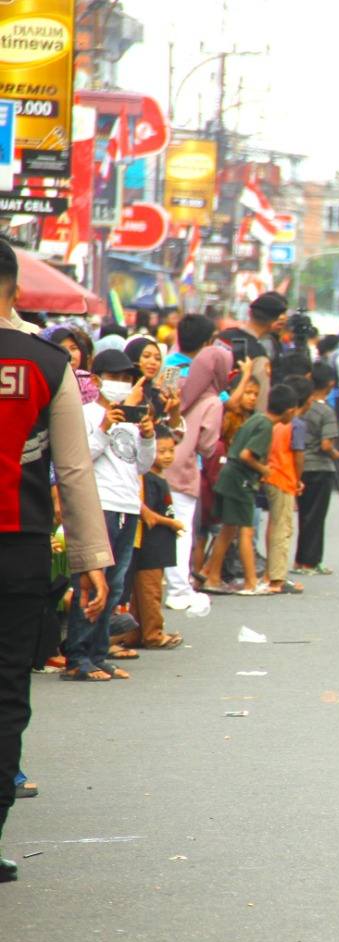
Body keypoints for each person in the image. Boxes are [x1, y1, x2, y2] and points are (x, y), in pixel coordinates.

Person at [0, 239, 111, 882]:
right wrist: (91, 558)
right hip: (17, 552)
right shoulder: (45, 362)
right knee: (7, 689)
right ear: (16, 290)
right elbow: (73, 468)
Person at [62, 346, 156, 681]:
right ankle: (77, 656)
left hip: (127, 506)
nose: (122, 383)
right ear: (99, 380)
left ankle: (98, 654)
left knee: (114, 588)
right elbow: (79, 458)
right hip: (98, 504)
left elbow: (142, 465)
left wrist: (147, 436)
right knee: (89, 583)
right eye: (115, 377)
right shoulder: (85, 413)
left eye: (127, 378)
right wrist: (103, 426)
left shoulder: (131, 419)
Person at [200, 383, 293, 595]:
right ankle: (251, 582)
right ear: (289, 411)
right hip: (240, 480)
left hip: (228, 477)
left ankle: (212, 576)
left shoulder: (257, 418)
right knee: (246, 531)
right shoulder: (266, 426)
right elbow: (246, 455)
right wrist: (264, 469)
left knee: (227, 530)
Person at [128, 427, 184, 649]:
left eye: (171, 450)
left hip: (157, 544)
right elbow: (148, 515)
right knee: (150, 593)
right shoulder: (147, 479)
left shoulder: (156, 477)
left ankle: (136, 633)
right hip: (150, 545)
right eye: (161, 451)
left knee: (142, 593)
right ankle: (153, 634)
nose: (168, 455)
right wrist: (172, 523)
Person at [293, 364, 339, 576]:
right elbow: (326, 445)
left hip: (302, 465)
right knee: (317, 516)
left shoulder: (301, 408)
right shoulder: (326, 411)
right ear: (330, 384)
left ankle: (301, 559)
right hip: (321, 468)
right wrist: (336, 455)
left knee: (305, 515)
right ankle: (310, 561)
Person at [264, 377, 309, 593]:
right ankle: (277, 579)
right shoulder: (294, 425)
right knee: (283, 528)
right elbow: (298, 455)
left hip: (269, 475)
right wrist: (298, 479)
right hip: (284, 476)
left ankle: (270, 573)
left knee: (274, 526)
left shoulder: (269, 423)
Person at [219, 292, 288, 390]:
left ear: (249, 313)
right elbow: (261, 398)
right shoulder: (259, 354)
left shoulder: (223, 336)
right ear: (274, 321)